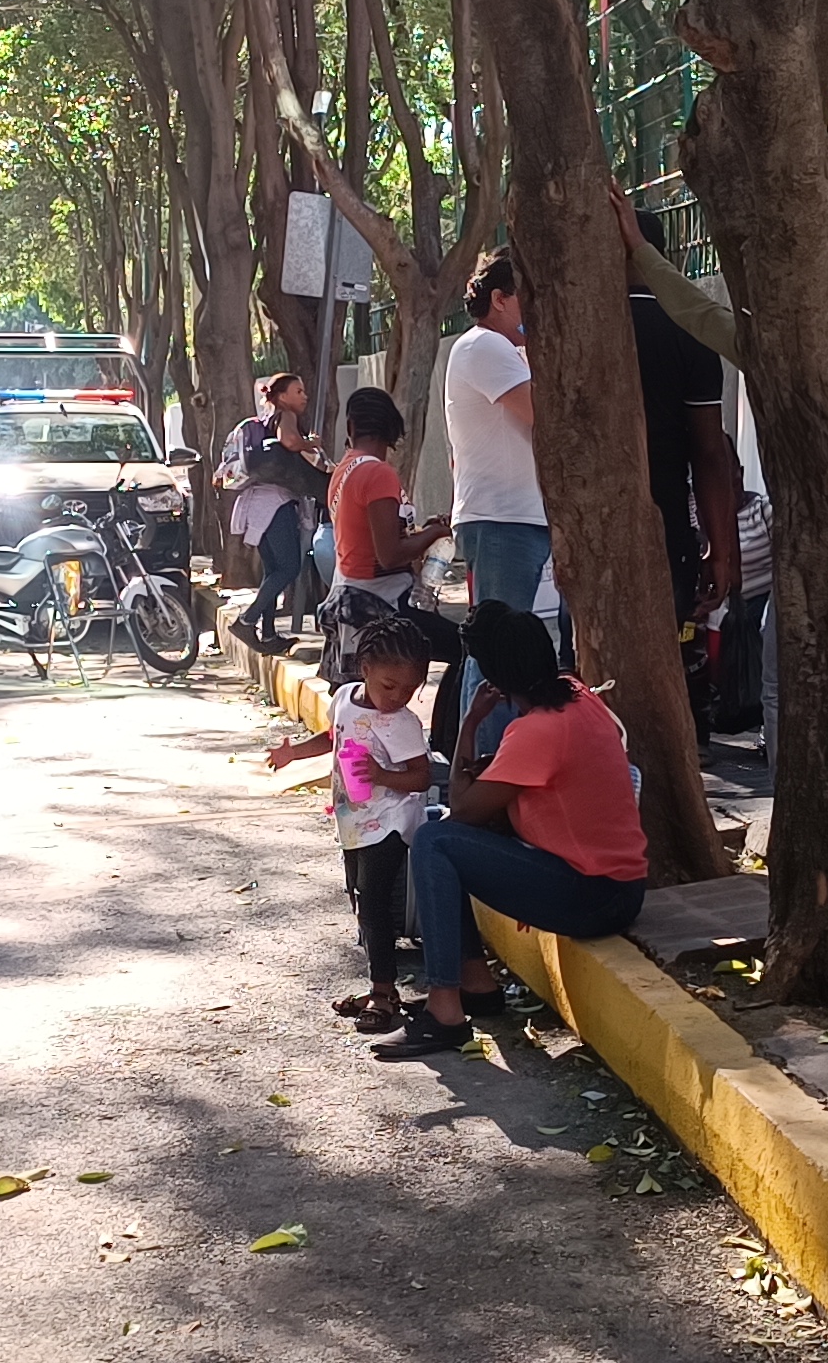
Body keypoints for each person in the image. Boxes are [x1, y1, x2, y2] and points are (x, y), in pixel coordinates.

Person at [609, 185, 828, 756]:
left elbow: (698, 312)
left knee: (783, 676)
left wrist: (641, 249)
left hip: (814, 547)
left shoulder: (784, 359)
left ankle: (791, 787)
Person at [375, 604, 647, 1057]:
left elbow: (462, 808)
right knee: (447, 842)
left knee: (435, 839)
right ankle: (476, 986)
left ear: (495, 677)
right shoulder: (579, 695)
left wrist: (471, 723)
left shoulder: (536, 731)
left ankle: (445, 1010)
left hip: (593, 895)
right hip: (618, 885)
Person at [265, 616, 439, 1034]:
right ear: (364, 670)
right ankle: (382, 987)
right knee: (360, 901)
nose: (398, 698)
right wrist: (295, 754)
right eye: (389, 686)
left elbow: (422, 777)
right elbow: (334, 736)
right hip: (353, 820)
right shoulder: (344, 697)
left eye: (410, 691)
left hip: (390, 824)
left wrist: (381, 775)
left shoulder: (402, 724)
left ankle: (384, 994)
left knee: (375, 903)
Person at [625, 210, 743, 632]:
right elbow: (710, 452)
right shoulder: (688, 332)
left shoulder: (584, 334)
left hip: (594, 529)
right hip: (667, 525)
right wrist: (721, 551)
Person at [320, 387, 463, 681]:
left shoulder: (344, 469)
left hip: (350, 598)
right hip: (382, 604)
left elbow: (370, 537)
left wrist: (424, 532)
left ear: (351, 427)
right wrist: (436, 532)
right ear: (392, 429)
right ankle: (455, 726)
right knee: (468, 651)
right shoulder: (378, 473)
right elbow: (390, 555)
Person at [441, 251, 548, 615]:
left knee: (504, 648)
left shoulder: (501, 349)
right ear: (499, 299)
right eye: (525, 297)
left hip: (511, 518)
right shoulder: (485, 344)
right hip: (503, 519)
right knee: (501, 649)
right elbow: (544, 415)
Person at [226, 372, 321, 653]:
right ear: (281, 397)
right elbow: (290, 442)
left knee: (273, 570)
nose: (304, 396)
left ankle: (268, 635)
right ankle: (247, 620)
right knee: (290, 566)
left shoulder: (266, 421)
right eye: (298, 391)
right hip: (275, 504)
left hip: (256, 503)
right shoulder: (285, 416)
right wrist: (311, 443)